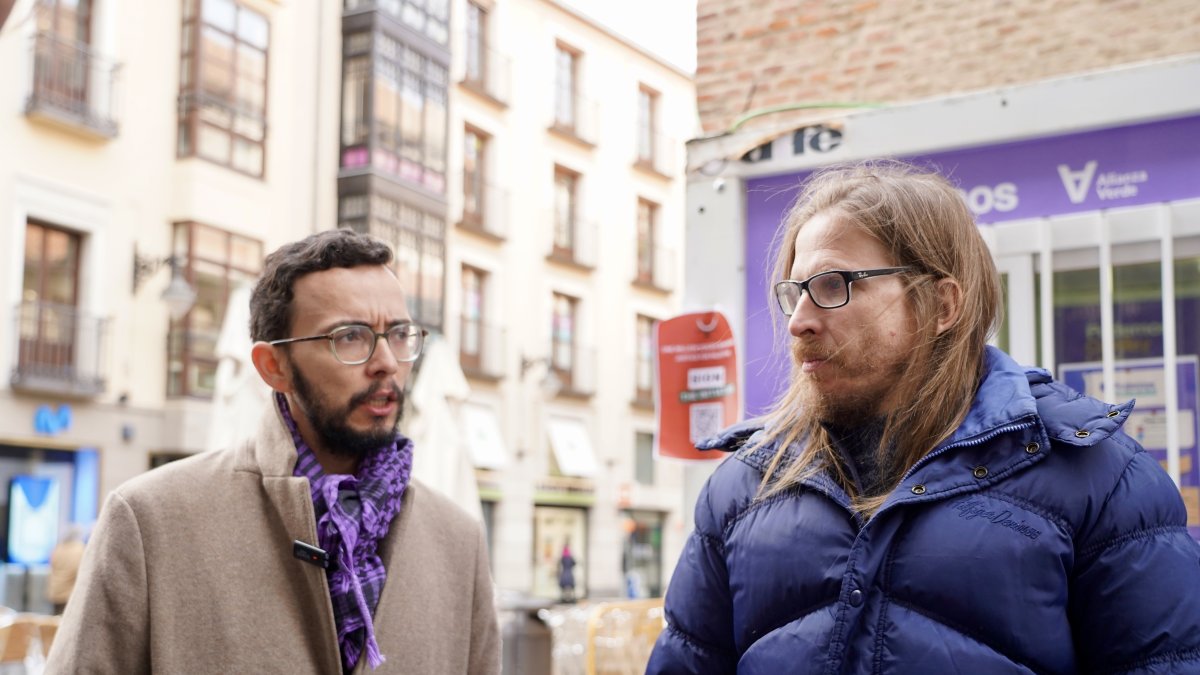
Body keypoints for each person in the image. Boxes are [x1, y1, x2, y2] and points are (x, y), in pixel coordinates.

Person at [647, 162, 1200, 673]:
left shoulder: (1100, 477)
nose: (800, 321)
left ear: (942, 304)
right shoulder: (744, 487)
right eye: (794, 294)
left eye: (834, 286)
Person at [46, 229, 500, 674]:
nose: (386, 362)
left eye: (399, 334)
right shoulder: (150, 520)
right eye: (350, 337)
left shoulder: (459, 542)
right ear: (273, 366)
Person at [46, 525, 85, 615]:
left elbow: (52, 566)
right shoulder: (79, 550)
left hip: (55, 591)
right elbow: (79, 571)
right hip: (69, 594)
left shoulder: (58, 548)